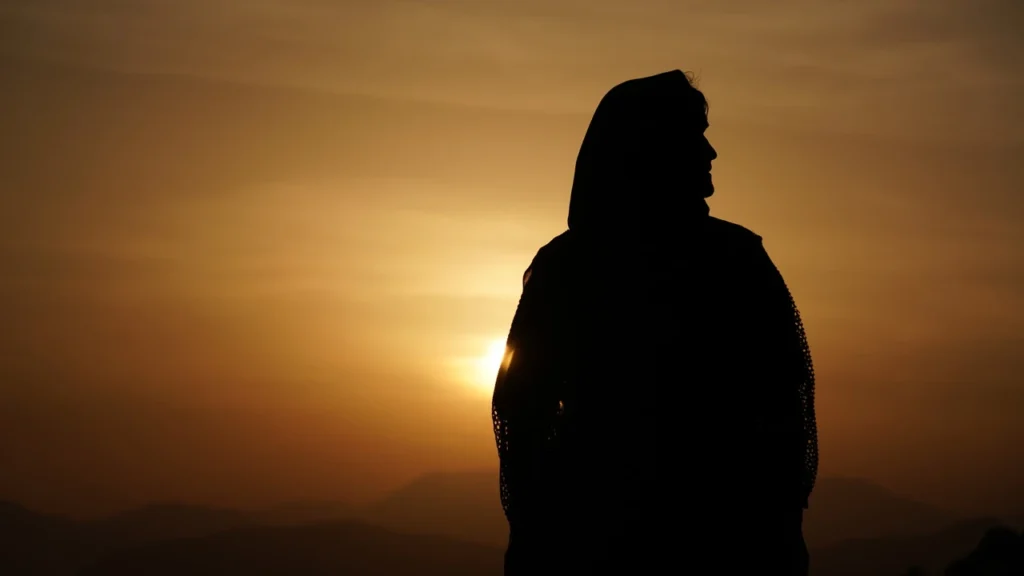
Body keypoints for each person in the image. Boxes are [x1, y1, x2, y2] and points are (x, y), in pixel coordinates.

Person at [491, 69, 818, 575]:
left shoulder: (733, 259)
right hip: (613, 539)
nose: (711, 155)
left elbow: (783, 403)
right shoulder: (729, 260)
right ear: (652, 150)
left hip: (717, 535)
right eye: (695, 138)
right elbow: (522, 412)